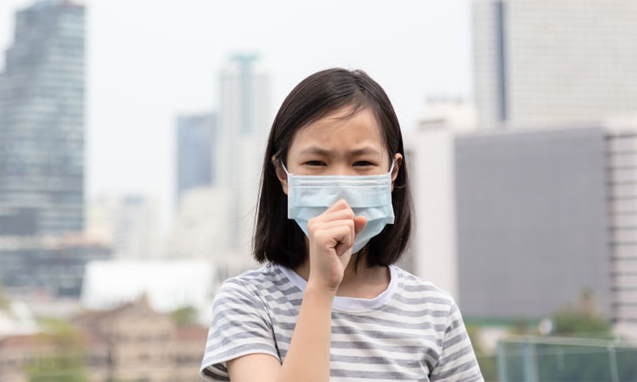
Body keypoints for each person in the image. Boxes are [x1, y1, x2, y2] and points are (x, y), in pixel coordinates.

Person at [200, 68, 484, 382]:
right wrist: (321, 287)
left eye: (362, 163)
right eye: (316, 163)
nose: (341, 185)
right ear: (283, 174)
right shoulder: (247, 301)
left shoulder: (435, 312)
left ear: (393, 172)